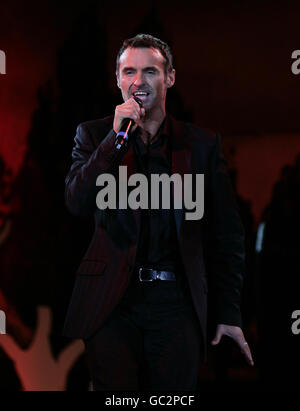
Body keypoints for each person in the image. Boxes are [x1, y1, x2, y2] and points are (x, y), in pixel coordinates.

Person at [62, 33, 253, 391]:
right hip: (112, 306)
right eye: (129, 71)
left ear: (170, 78)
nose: (138, 81)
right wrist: (111, 142)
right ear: (117, 80)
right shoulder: (93, 136)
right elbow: (76, 201)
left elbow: (228, 236)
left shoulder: (200, 146)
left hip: (176, 305)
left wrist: (229, 313)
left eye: (150, 71)